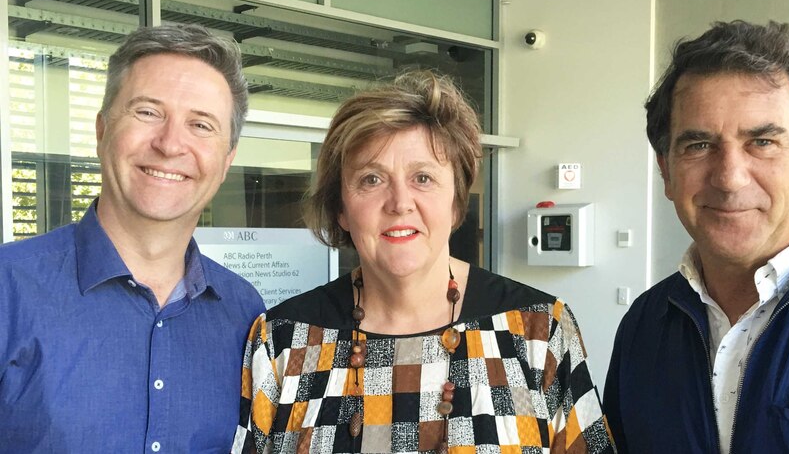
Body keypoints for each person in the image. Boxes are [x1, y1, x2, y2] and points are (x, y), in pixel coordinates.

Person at [232, 71, 615, 454]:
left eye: (423, 178)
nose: (400, 202)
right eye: (371, 179)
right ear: (341, 210)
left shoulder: (539, 330)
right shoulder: (282, 340)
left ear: (455, 203)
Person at [0, 24, 266, 452]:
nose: (170, 143)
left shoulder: (245, 312)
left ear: (227, 159)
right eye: (147, 112)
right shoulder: (7, 288)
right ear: (103, 130)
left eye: (200, 124)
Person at [604, 20, 789, 453]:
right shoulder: (644, 326)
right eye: (698, 145)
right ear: (666, 171)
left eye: (762, 141)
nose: (728, 178)